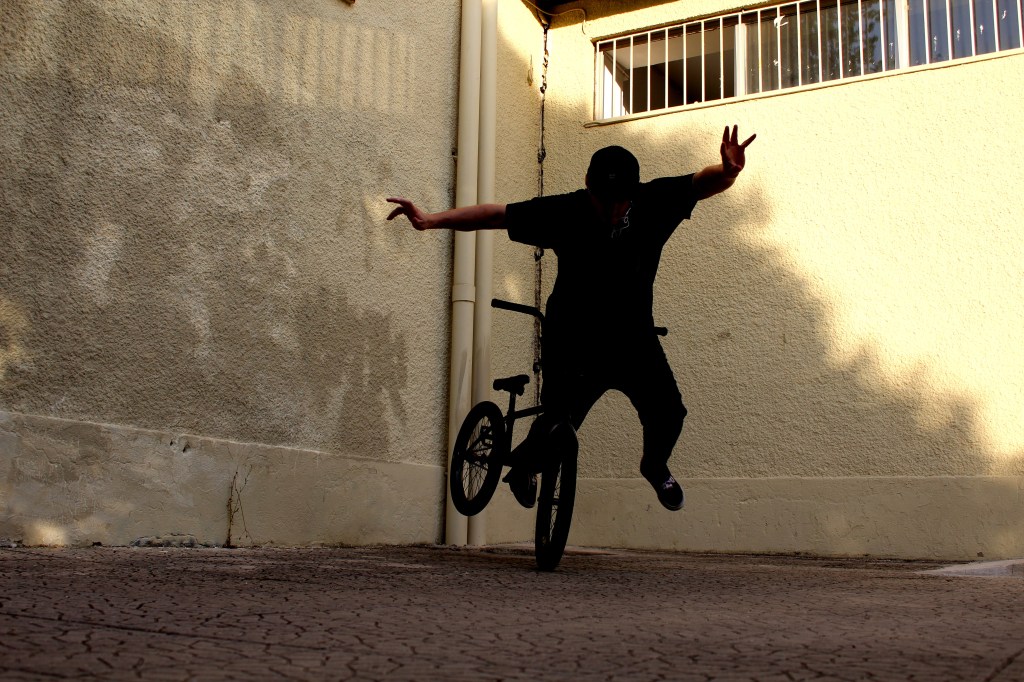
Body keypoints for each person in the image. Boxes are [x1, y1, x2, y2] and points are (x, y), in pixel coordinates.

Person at [387, 125, 756, 512]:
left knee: (669, 413)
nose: (612, 212)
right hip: (573, 341)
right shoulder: (566, 211)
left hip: (634, 341)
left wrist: (728, 172)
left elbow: (699, 183)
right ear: (587, 186)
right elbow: (496, 214)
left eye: (620, 204)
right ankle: (524, 468)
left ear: (634, 194)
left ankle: (654, 465)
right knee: (558, 423)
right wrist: (431, 220)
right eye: (603, 203)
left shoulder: (652, 202)